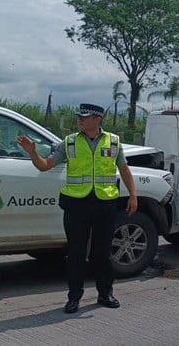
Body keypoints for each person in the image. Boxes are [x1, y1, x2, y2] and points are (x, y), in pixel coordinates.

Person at [17, 103, 138, 314]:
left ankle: (105, 293)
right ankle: (74, 297)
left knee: (101, 253)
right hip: (77, 205)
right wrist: (33, 153)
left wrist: (133, 195)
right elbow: (45, 165)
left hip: (105, 203)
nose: (79, 120)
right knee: (76, 253)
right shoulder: (69, 142)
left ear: (97, 119)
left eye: (84, 117)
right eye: (79, 117)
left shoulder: (113, 141)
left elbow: (124, 169)